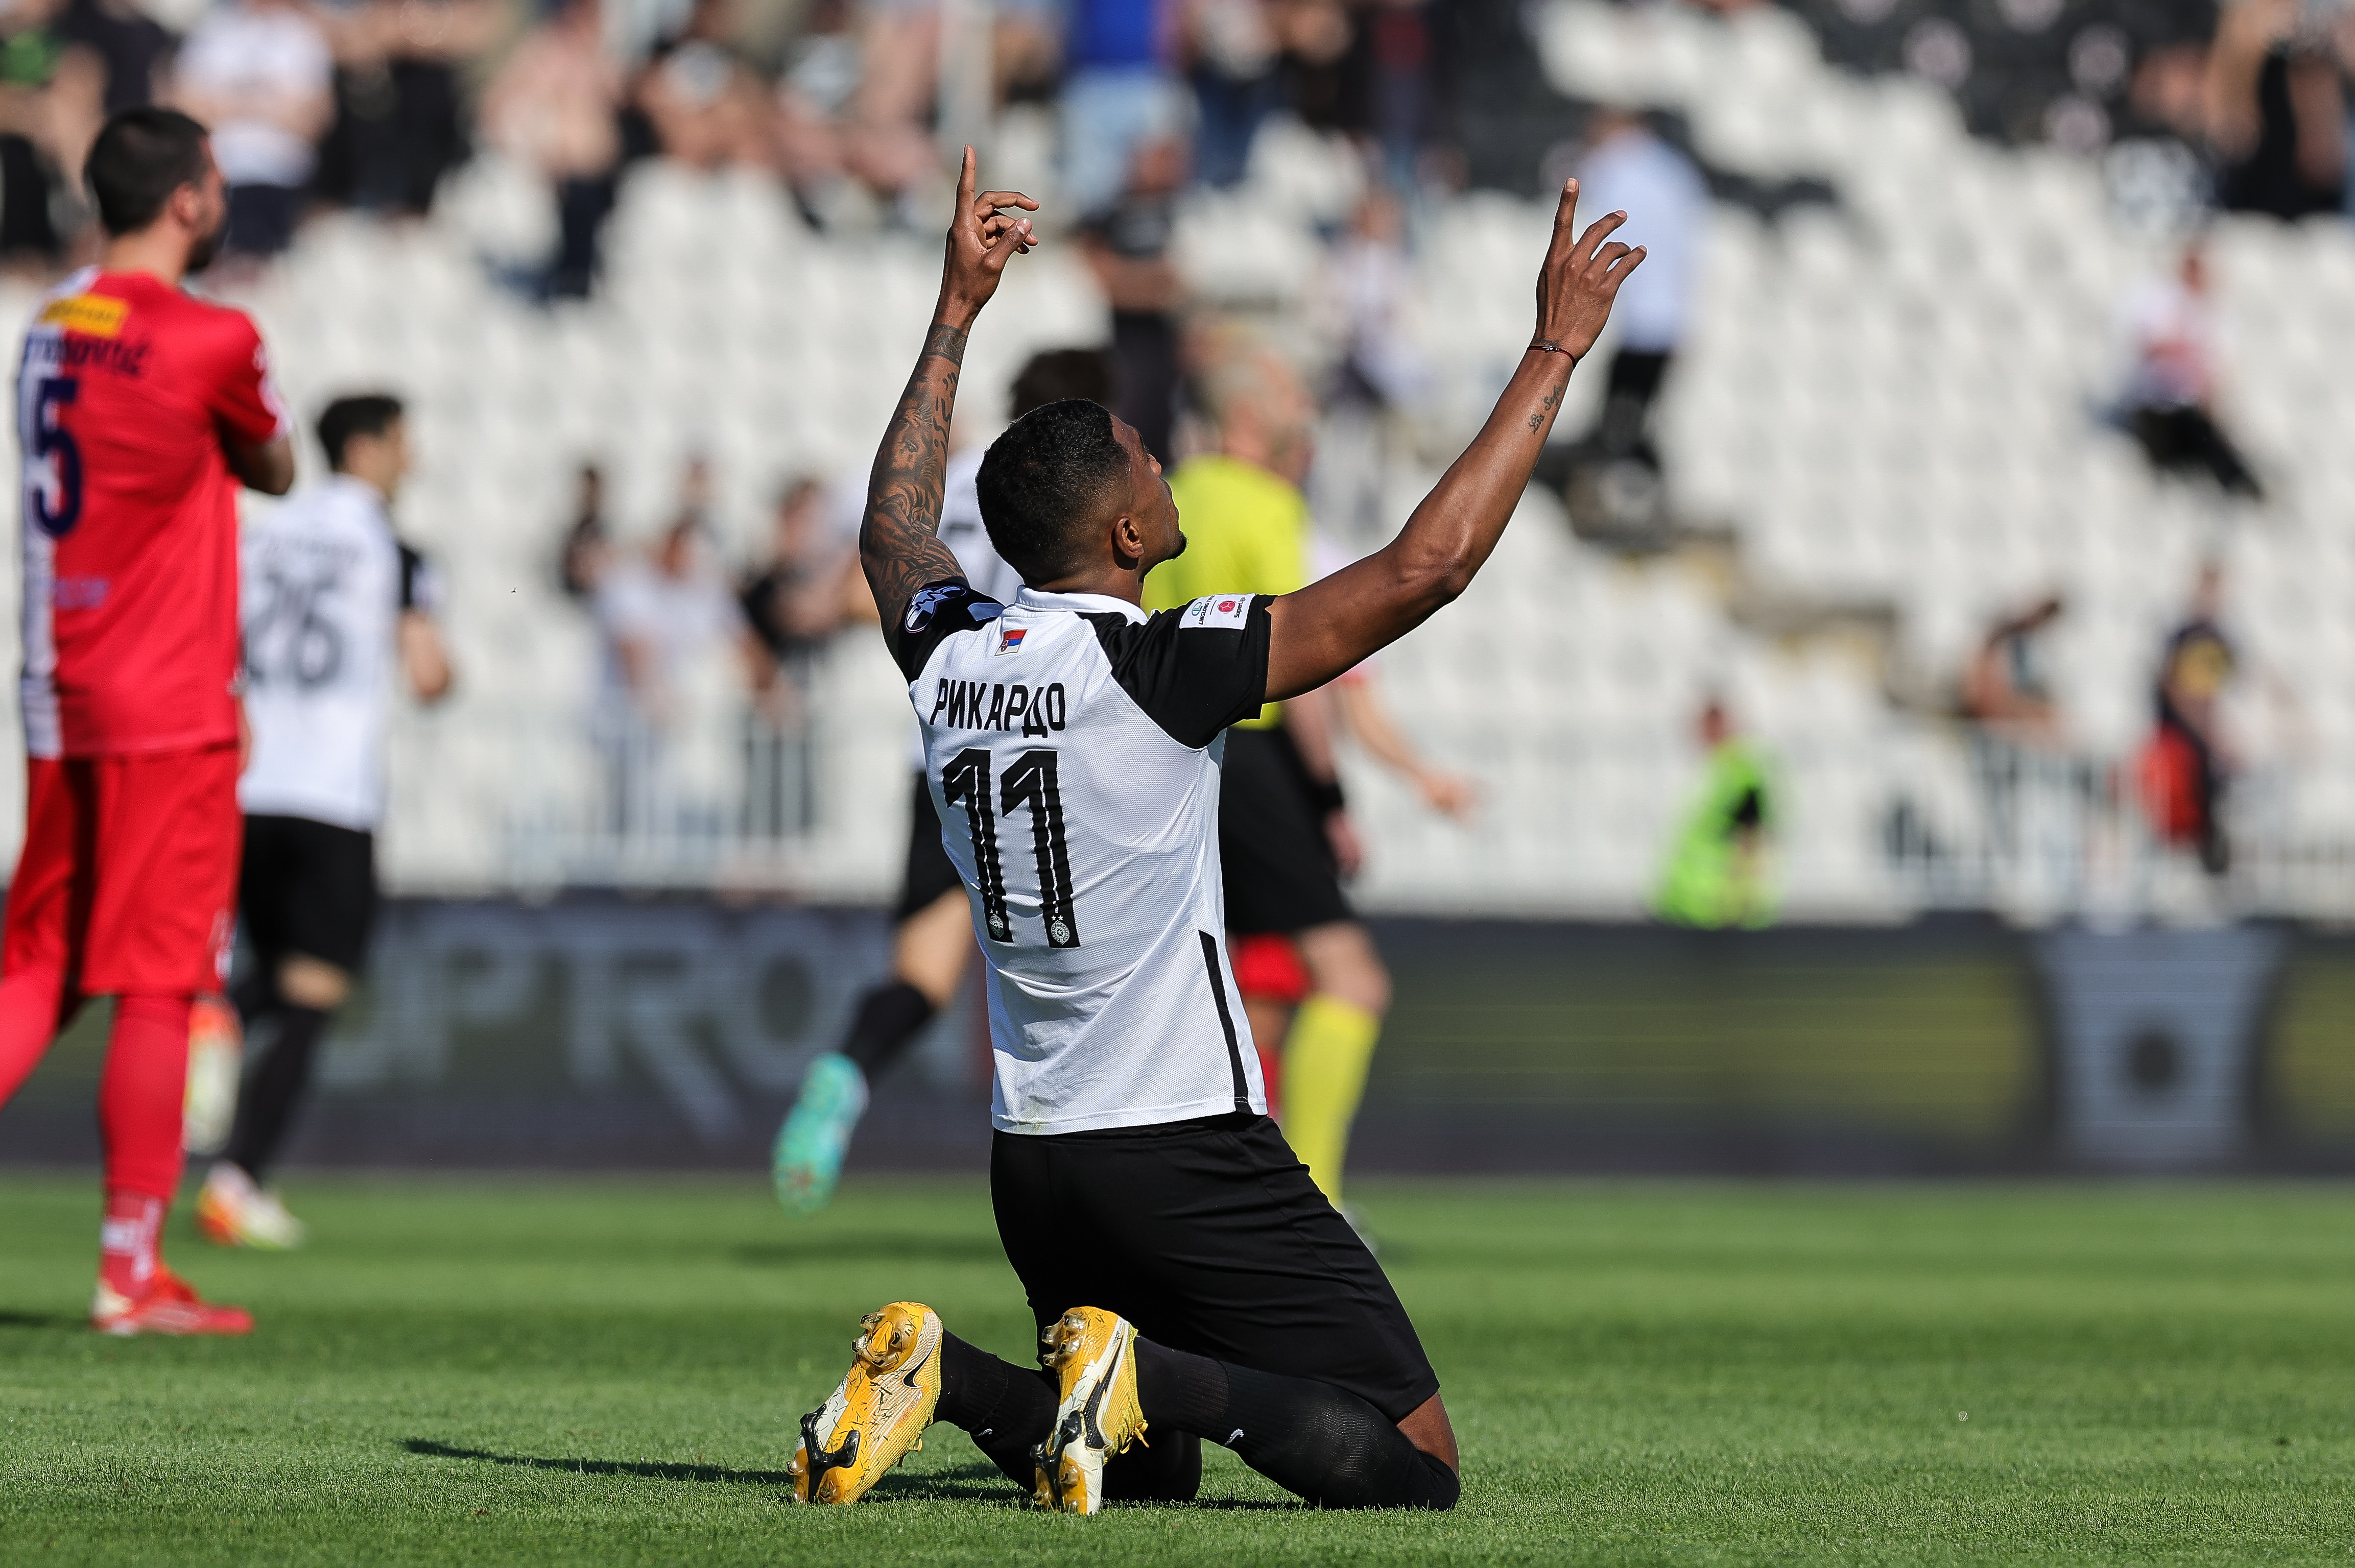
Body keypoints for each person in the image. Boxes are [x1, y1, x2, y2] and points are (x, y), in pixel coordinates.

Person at [790, 147, 1638, 1513]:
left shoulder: (946, 652)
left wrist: (955, 311)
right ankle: (1129, 1371)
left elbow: (896, 530)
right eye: (1143, 454)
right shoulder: (1157, 667)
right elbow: (1428, 567)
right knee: (1413, 1464)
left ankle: (953, 1377)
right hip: (1184, 1141)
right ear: (1130, 525)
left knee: (1148, 1466)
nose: (1161, 459)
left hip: (1036, 1152)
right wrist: (1552, 346)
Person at [0, 107, 296, 1335]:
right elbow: (273, 464)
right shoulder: (213, 333)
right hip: (166, 699)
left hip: (55, 685)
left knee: (35, 961)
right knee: (161, 980)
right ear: (188, 199)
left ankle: (134, 1266)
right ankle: (130, 1270)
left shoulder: (48, 326)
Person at [771, 346, 1111, 1214]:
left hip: (945, 757)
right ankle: (1090, 1173)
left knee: (923, 979)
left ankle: (844, 1073)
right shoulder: (1077, 495)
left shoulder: (957, 483)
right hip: (1042, 756)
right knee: (1078, 972)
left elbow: (860, 598)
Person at [195, 393, 453, 1249]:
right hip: (333, 795)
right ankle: (236, 1180)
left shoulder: (261, 531)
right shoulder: (397, 550)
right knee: (313, 992)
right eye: (406, 444)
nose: (413, 460)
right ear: (370, 449)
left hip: (245, 782)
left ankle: (221, 1015)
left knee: (268, 971)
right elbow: (427, 674)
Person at [1141, 341, 1386, 1212]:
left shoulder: (1166, 499)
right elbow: (1300, 660)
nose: (1300, 408)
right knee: (1351, 978)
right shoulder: (1264, 503)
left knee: (1243, 990)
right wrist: (1329, 798)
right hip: (1256, 754)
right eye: (1286, 392)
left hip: (1173, 749)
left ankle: (1215, 1194)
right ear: (1248, 416)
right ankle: (1312, 1199)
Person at [169, 0, 334, 261]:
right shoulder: (213, 30)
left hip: (282, 180)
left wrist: (228, 103)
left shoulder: (301, 35)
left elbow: (313, 120)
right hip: (220, 176)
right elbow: (184, 108)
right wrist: (270, 104)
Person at [2119, 242, 2264, 500]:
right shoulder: (2158, 301)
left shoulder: (2216, 317)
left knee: (2204, 434)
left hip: (2188, 409)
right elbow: (2149, 349)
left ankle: (2242, 488)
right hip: (2157, 406)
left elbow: (2213, 374)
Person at [2142, 563, 2237, 877]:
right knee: (2178, 817)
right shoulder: (2182, 636)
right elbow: (2174, 689)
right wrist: (2205, 730)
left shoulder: (2220, 638)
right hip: (2179, 744)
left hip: (2201, 743)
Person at [1653, 696, 1776, 929]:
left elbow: (1750, 838)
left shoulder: (1741, 775)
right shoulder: (1720, 772)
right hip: (1692, 907)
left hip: (1717, 911)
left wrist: (1742, 901)